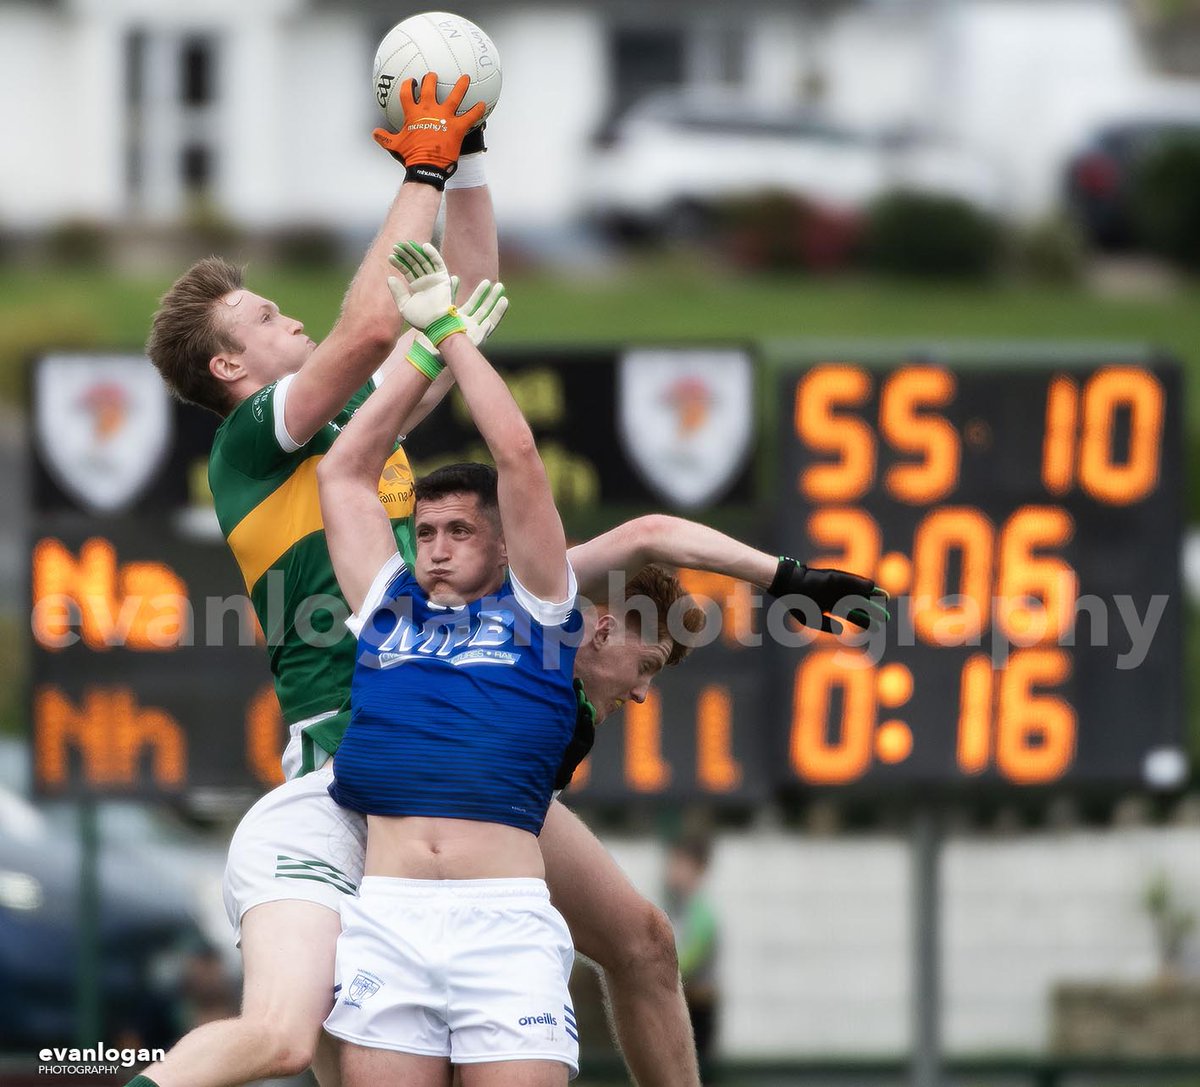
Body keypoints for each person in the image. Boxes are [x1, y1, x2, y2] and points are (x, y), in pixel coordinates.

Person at [132, 75, 890, 1087]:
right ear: (230, 368)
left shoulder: (375, 446)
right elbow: (374, 324)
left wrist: (472, 156)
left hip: (464, 751)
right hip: (352, 764)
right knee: (305, 1038)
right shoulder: (253, 444)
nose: (293, 322)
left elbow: (461, 295)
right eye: (268, 319)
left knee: (644, 943)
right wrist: (421, 164)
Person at [665, 836, 720, 1084]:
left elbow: (690, 958)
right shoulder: (677, 907)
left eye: (680, 863)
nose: (672, 870)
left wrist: (658, 970)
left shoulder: (701, 913)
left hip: (698, 1007)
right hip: (684, 1005)